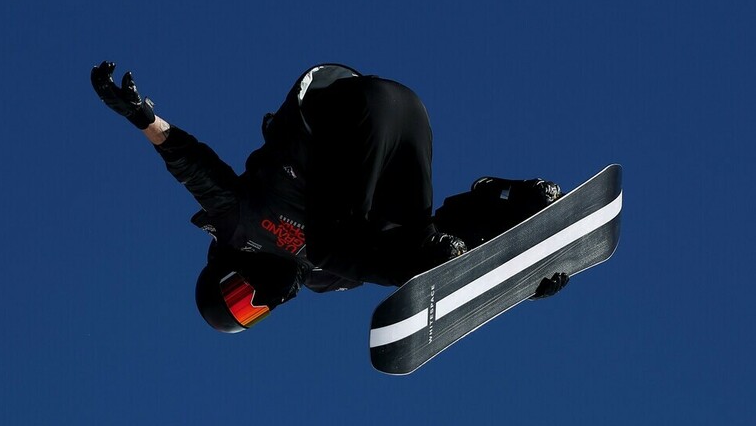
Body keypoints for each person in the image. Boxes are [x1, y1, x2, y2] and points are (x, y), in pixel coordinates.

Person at [90, 61, 568, 333]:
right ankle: (505, 205)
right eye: (252, 313)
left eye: (240, 297)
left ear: (228, 270)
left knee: (345, 249)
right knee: (409, 243)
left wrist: (141, 119)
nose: (261, 300)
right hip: (408, 119)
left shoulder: (237, 223)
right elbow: (392, 254)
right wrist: (513, 272)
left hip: (341, 116)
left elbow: (193, 167)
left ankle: (438, 257)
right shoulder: (321, 279)